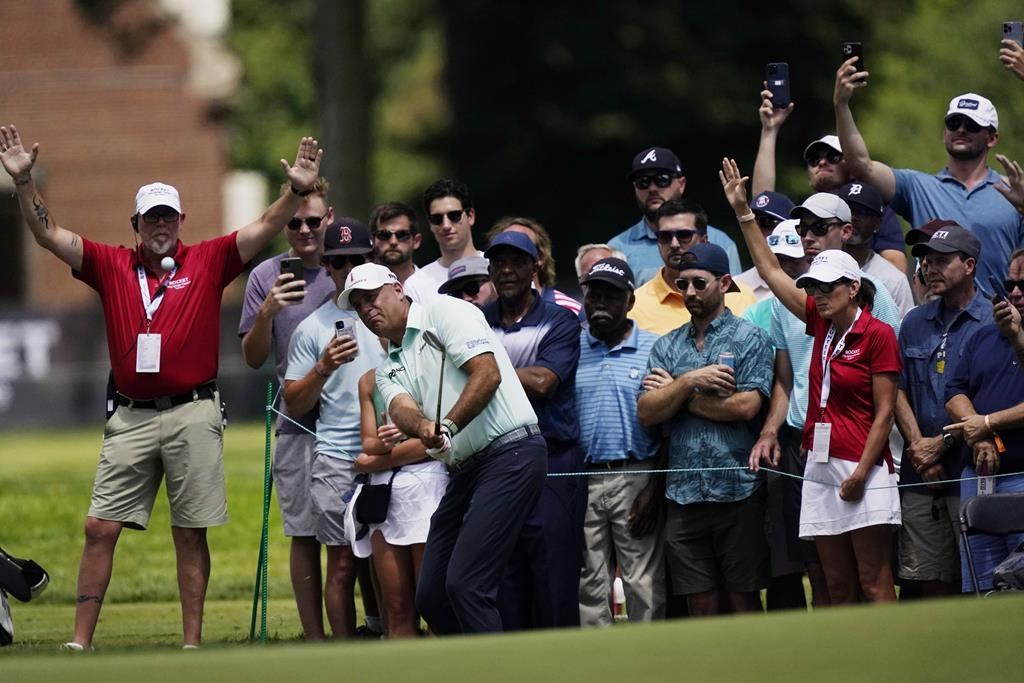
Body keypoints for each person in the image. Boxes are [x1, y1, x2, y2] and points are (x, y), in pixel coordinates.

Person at [0, 124, 323, 649]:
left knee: (189, 531)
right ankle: (80, 641)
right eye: (152, 218)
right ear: (135, 224)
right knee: (100, 527)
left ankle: (191, 643)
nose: (162, 226)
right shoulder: (110, 264)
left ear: (181, 221)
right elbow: (48, 235)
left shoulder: (209, 259)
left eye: (169, 217)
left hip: (193, 410)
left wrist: (298, 189)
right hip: (130, 415)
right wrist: (24, 183)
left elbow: (266, 224)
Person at [723, 157, 902, 604]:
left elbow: (885, 412)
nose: (818, 295)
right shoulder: (818, 322)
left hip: (866, 463)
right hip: (819, 461)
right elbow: (769, 271)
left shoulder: (876, 331)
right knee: (833, 581)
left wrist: (861, 472)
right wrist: (744, 213)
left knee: (874, 580)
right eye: (814, 288)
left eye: (828, 288)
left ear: (853, 288)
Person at [338, 263, 546, 634]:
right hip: (466, 468)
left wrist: (446, 426)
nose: (367, 309)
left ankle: (495, 670)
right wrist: (423, 428)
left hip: (512, 452)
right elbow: (401, 408)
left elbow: (487, 373)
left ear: (398, 289)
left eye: (371, 297)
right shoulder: (388, 367)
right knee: (432, 594)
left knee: (466, 583)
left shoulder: (445, 311)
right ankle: (469, 664)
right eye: (358, 305)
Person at [637, 242, 774, 616]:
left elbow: (747, 406)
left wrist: (679, 397)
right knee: (701, 605)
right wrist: (690, 381)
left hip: (737, 490)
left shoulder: (750, 337)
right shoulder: (666, 345)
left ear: (725, 282)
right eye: (683, 285)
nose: (690, 293)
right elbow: (648, 411)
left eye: (699, 283)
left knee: (743, 599)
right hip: (682, 494)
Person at [238, 177, 336, 639]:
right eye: (294, 222)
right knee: (304, 532)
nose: (303, 229)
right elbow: (253, 357)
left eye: (313, 220)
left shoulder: (349, 267)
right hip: (296, 422)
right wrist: (265, 313)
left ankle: (372, 625)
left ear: (328, 219)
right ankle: (314, 636)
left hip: (352, 421)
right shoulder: (265, 276)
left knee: (356, 534)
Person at [833, 60, 1024, 298]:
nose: (961, 129)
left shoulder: (1012, 191)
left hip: (995, 324)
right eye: (954, 123)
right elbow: (861, 167)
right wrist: (841, 105)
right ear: (945, 132)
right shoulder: (917, 186)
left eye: (972, 125)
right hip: (933, 324)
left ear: (992, 138)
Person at [282, 218, 385, 638]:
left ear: (371, 259)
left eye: (357, 259)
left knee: (389, 560)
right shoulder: (311, 328)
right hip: (337, 457)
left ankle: (397, 641)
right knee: (341, 564)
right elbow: (294, 402)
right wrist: (323, 367)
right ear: (326, 265)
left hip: (391, 455)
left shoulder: (390, 315)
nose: (348, 268)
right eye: (339, 261)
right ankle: (342, 656)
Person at [481, 231, 584, 629]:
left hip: (552, 458)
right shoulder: (479, 320)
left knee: (554, 576)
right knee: (505, 576)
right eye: (499, 262)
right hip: (495, 458)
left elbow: (544, 382)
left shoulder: (559, 320)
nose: (507, 270)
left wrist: (483, 371)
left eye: (517, 261)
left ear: (535, 266)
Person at [894, 225, 990, 597]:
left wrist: (943, 443)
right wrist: (920, 448)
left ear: (968, 265)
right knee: (928, 581)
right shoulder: (915, 321)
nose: (930, 268)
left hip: (972, 466)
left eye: (941, 261)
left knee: (977, 578)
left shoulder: (994, 321)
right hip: (922, 472)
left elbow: (991, 401)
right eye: (927, 261)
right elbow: (897, 389)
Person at [575, 257, 664, 626]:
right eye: (593, 295)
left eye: (610, 296)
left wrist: (654, 487)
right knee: (589, 584)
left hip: (637, 475)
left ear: (629, 301)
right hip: (582, 478)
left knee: (642, 583)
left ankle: (651, 663)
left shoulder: (655, 348)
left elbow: (666, 426)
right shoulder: (571, 347)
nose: (599, 304)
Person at [750, 85, 908, 274]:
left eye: (833, 157)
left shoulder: (871, 211)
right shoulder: (803, 213)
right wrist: (769, 131)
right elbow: (763, 200)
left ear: (852, 168)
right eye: (814, 160)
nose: (822, 162)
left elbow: (896, 269)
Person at [943, 248, 1024, 592]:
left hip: (1022, 475)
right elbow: (954, 392)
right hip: (979, 474)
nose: (1016, 292)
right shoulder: (983, 335)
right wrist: (978, 432)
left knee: (1019, 581)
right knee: (980, 585)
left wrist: (989, 423)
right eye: (1010, 284)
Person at [346, 369, 448, 638]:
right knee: (396, 606)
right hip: (384, 493)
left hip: (428, 488)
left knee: (433, 602)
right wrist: (386, 442)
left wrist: (380, 458)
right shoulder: (368, 379)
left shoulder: (433, 368)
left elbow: (435, 440)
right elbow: (368, 442)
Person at [609, 146, 742, 285]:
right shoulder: (617, 249)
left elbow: (735, 300)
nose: (652, 188)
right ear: (635, 187)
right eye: (643, 181)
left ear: (681, 184)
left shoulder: (721, 242)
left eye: (662, 179)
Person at [630, 198, 758, 336]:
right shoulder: (637, 304)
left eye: (684, 235)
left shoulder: (742, 297)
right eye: (665, 236)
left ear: (704, 240)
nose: (674, 244)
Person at [837, 182, 914, 317]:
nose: (852, 217)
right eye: (847, 210)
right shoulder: (818, 264)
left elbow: (903, 333)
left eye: (861, 212)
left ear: (877, 223)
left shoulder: (893, 280)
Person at [402, 178, 482, 304]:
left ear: (470, 216)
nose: (446, 225)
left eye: (454, 215)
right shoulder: (415, 285)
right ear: (430, 224)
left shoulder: (494, 268)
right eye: (437, 218)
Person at [486, 217, 581, 314]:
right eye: (499, 260)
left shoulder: (570, 311)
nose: (507, 269)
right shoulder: (483, 315)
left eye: (517, 258)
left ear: (539, 258)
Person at [735, 191, 795, 302]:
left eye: (766, 222)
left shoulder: (809, 283)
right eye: (751, 223)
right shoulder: (734, 287)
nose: (756, 231)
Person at [370, 201, 423, 284]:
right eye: (384, 235)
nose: (393, 242)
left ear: (416, 241)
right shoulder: (361, 289)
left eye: (402, 235)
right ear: (373, 240)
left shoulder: (434, 288)